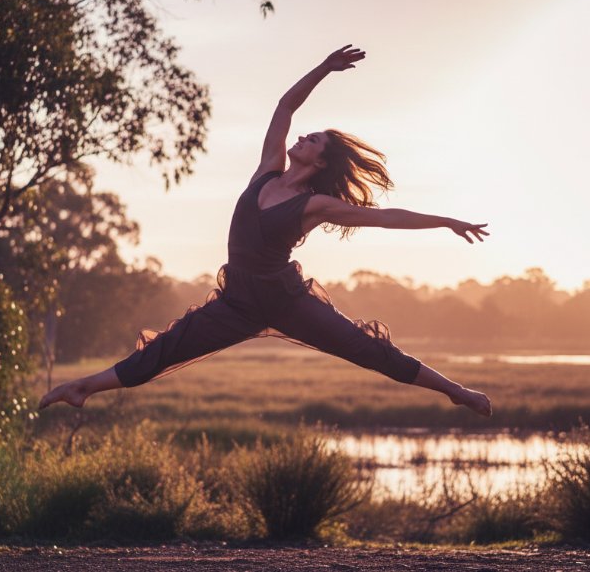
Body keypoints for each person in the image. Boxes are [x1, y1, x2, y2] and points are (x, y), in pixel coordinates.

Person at [39, 45, 492, 417]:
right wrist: (324, 69)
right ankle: (84, 387)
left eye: (312, 141)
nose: (302, 139)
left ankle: (457, 391)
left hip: (286, 300)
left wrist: (447, 222)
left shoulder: (315, 205)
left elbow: (386, 217)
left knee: (367, 350)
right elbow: (285, 106)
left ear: (320, 162)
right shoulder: (266, 171)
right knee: (165, 350)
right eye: (307, 135)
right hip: (237, 300)